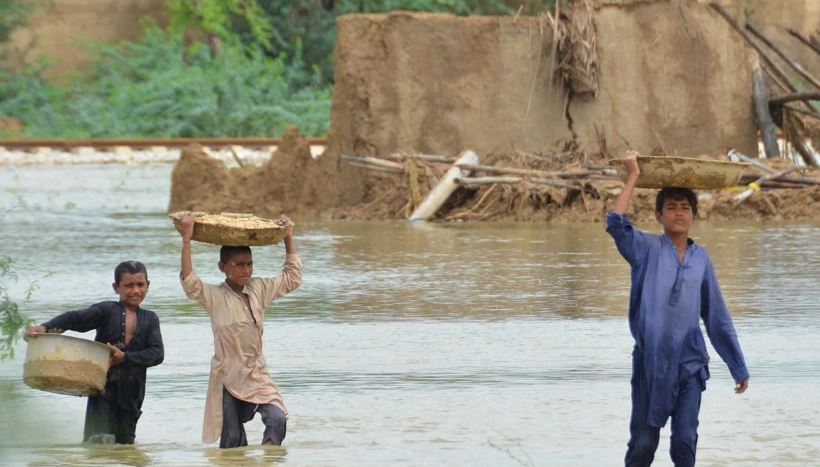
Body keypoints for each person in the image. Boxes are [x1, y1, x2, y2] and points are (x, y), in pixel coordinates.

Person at [606, 151, 750, 467]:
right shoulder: (645, 249)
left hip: (690, 363)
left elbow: (717, 318)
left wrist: (737, 366)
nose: (679, 213)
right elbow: (616, 224)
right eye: (671, 207)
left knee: (685, 442)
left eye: (685, 207)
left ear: (694, 216)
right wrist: (633, 176)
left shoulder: (701, 260)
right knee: (643, 445)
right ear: (659, 216)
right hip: (651, 363)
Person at [177, 214, 302, 448]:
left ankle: (269, 459)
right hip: (227, 378)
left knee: (277, 420)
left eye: (249, 264)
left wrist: (288, 238)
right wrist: (186, 239)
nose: (247, 270)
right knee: (233, 442)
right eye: (239, 264)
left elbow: (292, 278)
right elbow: (189, 281)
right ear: (223, 267)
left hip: (257, 373)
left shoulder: (259, 288)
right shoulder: (215, 296)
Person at [25, 260, 164, 444]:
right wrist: (45, 328)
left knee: (125, 447)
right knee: (98, 441)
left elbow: (157, 353)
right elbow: (75, 318)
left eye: (140, 285)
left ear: (148, 285)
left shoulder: (150, 319)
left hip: (132, 395)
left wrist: (125, 357)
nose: (136, 290)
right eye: (129, 285)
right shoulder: (106, 310)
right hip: (102, 390)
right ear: (116, 287)